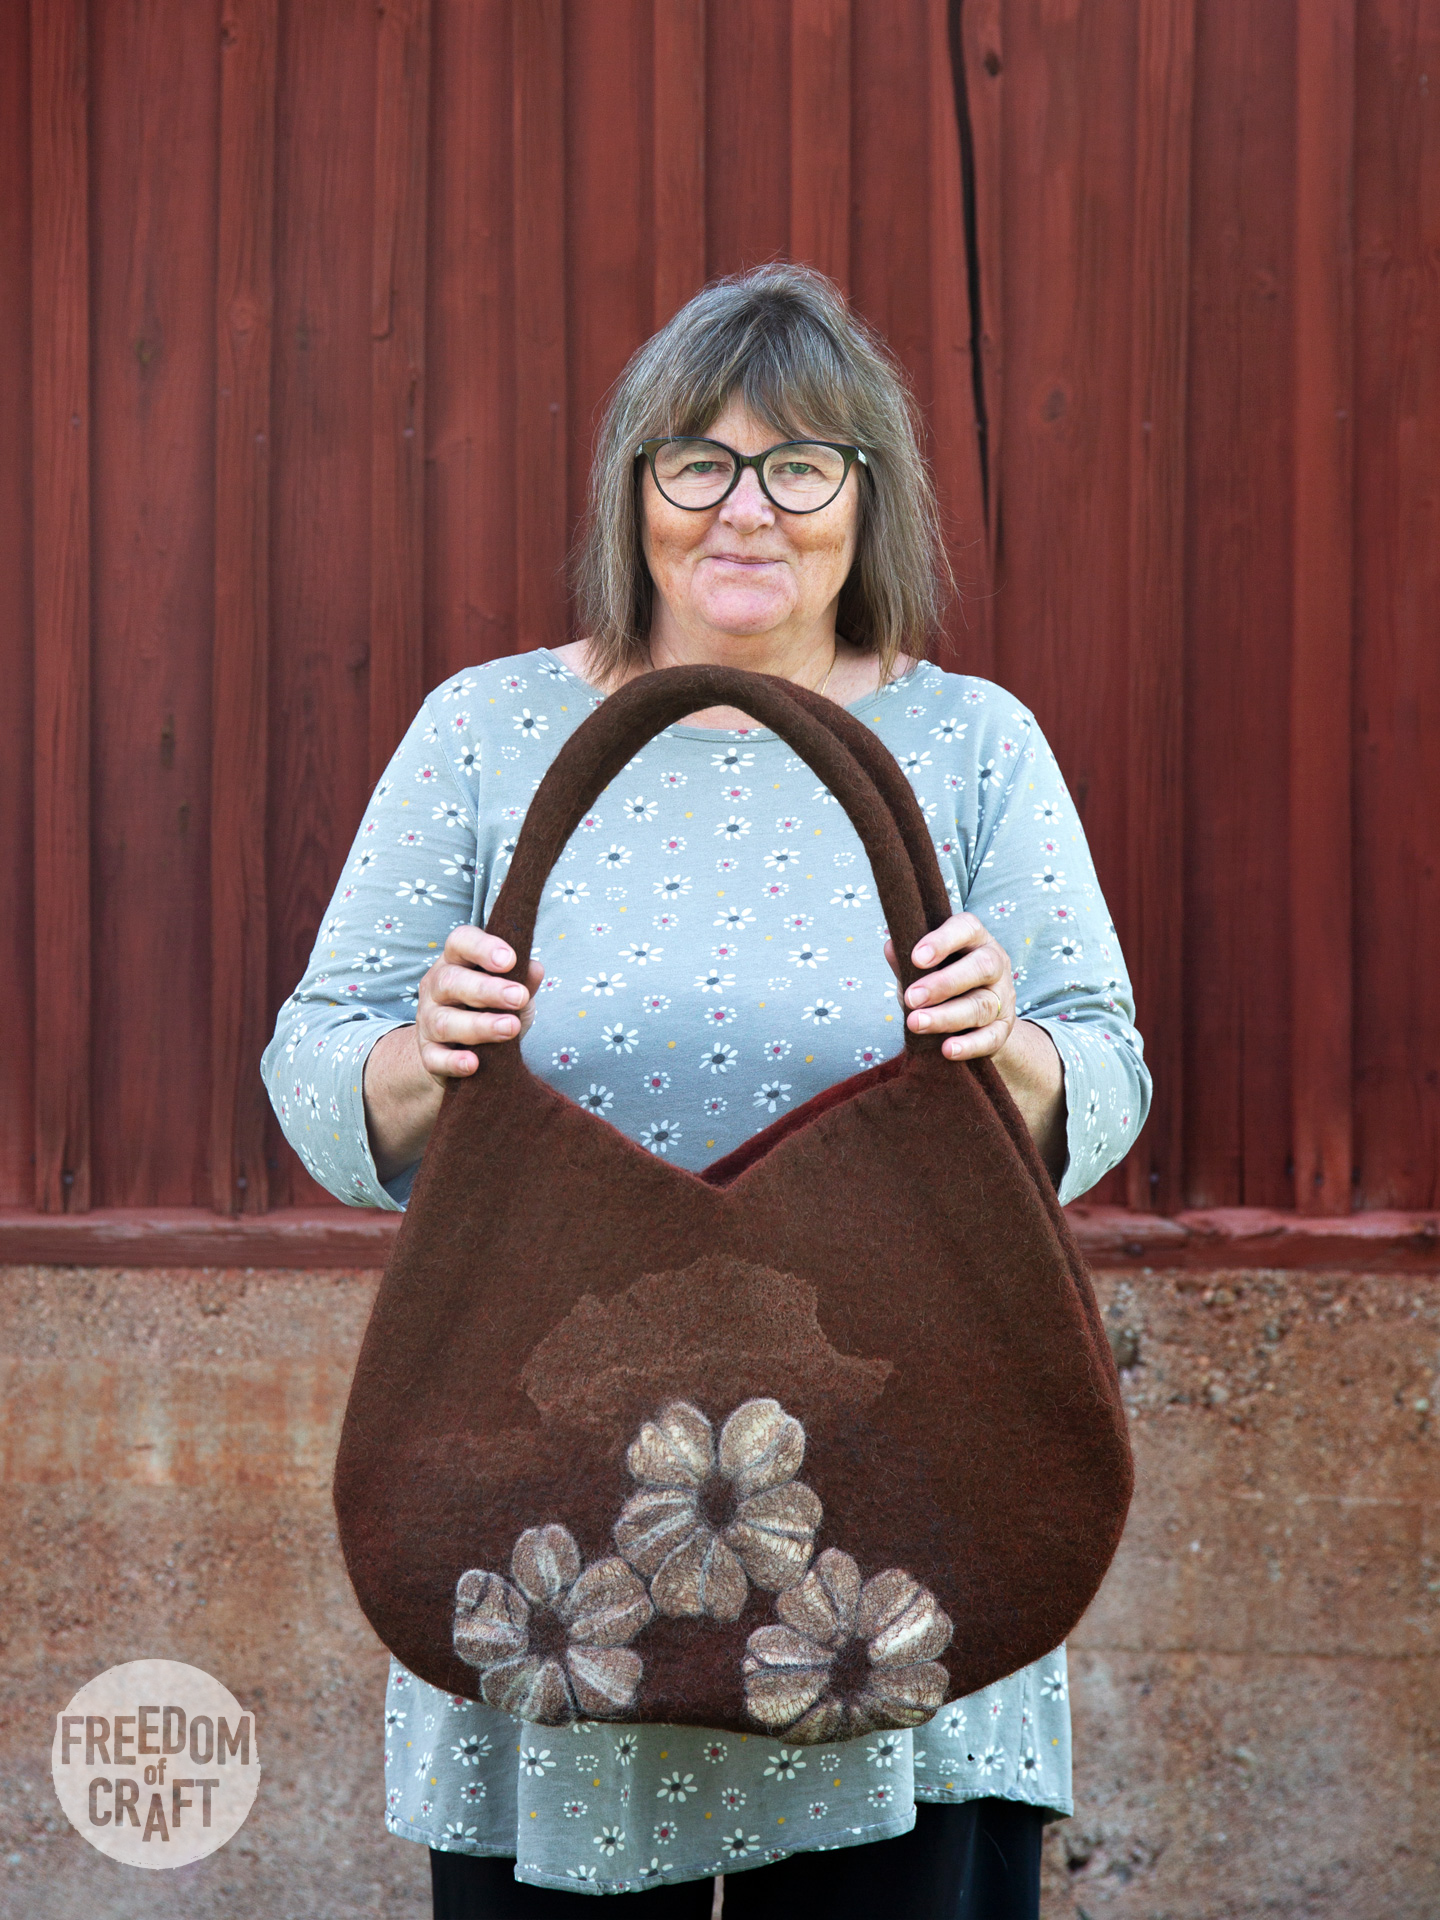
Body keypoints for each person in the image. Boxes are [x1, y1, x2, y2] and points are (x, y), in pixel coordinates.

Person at [263, 263, 1150, 1918]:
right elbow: (314, 1067)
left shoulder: (974, 747)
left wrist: (1008, 1039)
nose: (747, 507)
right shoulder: (488, 733)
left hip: (895, 1540)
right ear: (635, 486)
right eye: (700, 461)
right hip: (564, 1516)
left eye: (802, 464)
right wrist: (416, 1056)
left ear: (866, 499)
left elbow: (1105, 1080)